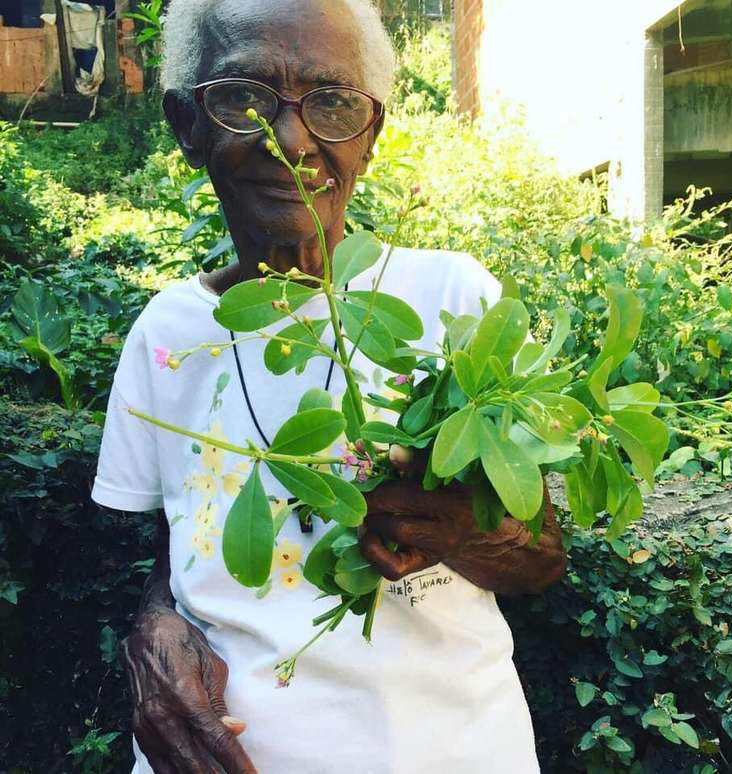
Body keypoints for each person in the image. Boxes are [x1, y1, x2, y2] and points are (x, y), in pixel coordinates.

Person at [91, 1, 567, 771]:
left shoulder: (451, 298)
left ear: (370, 137)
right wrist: (151, 626)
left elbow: (542, 558)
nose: (293, 141)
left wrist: (444, 526)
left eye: (334, 103)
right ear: (189, 124)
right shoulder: (166, 332)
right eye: (244, 96)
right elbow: (155, 550)